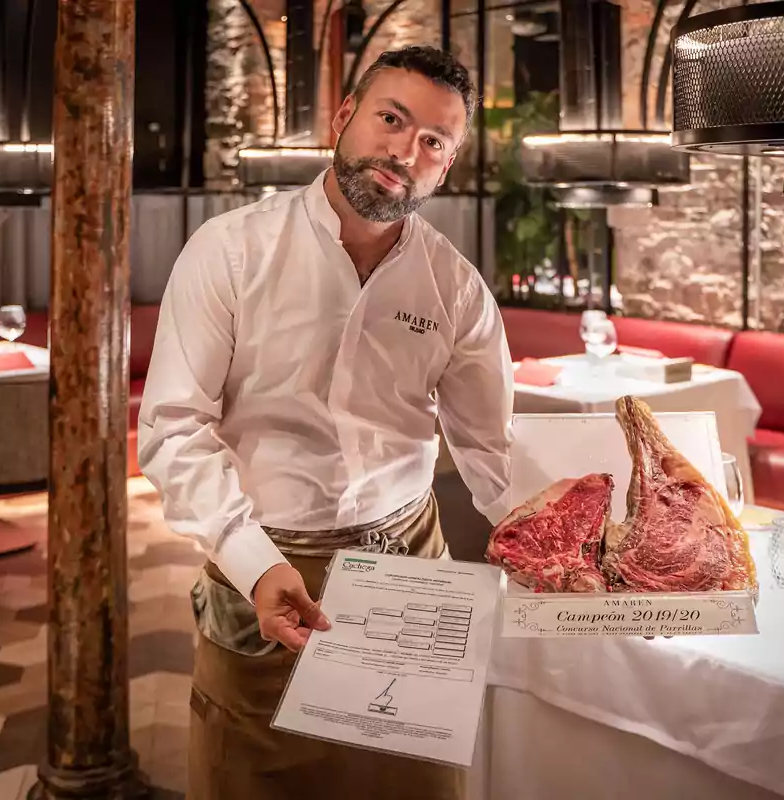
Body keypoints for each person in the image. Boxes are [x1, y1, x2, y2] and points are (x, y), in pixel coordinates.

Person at [137, 45, 513, 800]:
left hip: (413, 562)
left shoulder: (456, 288)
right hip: (271, 570)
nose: (405, 152)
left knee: (417, 785)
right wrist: (253, 561)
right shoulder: (231, 252)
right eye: (391, 119)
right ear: (344, 118)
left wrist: (550, 548)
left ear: (447, 170)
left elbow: (491, 449)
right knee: (254, 779)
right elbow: (173, 430)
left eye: (433, 143)